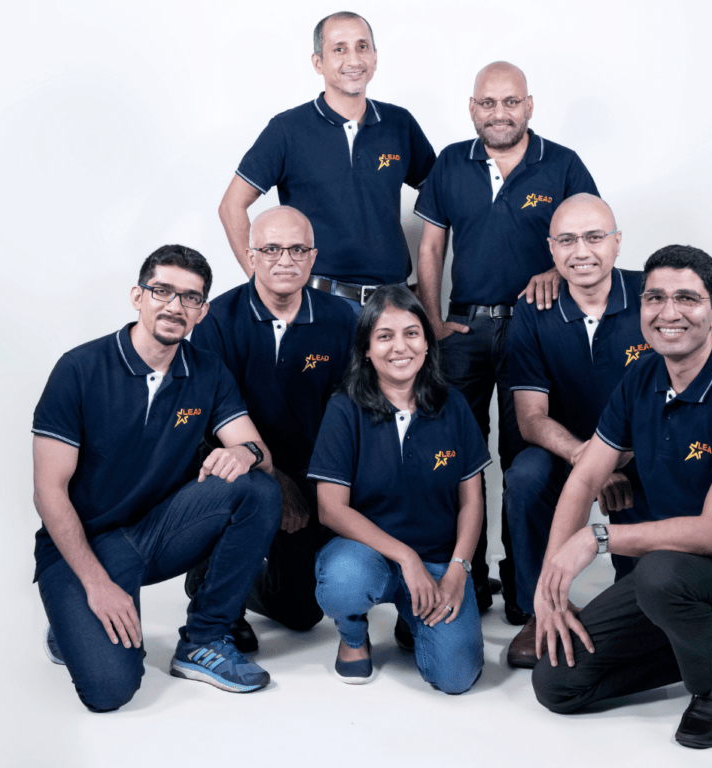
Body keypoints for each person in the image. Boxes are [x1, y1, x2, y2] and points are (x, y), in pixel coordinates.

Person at [531, 245, 712, 748]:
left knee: (658, 570)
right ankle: (707, 644)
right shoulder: (641, 378)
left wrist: (596, 538)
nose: (668, 312)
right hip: (669, 583)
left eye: (687, 298)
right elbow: (585, 479)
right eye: (654, 297)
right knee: (557, 682)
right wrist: (550, 589)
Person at [31, 245, 281, 712]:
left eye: (190, 297)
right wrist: (96, 584)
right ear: (138, 296)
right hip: (81, 547)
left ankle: (203, 640)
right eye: (162, 290)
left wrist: (244, 452)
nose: (174, 305)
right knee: (110, 690)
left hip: (153, 534)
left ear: (202, 311)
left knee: (258, 490)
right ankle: (70, 619)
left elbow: (259, 452)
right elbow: (48, 491)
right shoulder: (79, 368)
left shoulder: (208, 371)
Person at [414, 61, 600, 620]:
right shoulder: (451, 163)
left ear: (529, 105)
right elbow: (430, 248)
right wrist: (432, 321)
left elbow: (589, 238)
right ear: (473, 108)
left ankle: (527, 592)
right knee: (456, 457)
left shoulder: (562, 164)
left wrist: (555, 271)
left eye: (511, 102)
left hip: (535, 329)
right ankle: (466, 583)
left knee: (525, 464)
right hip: (465, 329)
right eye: (488, 103)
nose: (500, 113)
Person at [186, 206, 357, 652]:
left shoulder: (342, 319)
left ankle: (245, 582)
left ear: (313, 257)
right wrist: (274, 480)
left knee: (302, 612)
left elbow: (349, 415)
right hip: (239, 470)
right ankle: (216, 592)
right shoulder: (216, 321)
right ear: (251, 255)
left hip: (310, 472)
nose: (286, 260)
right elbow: (206, 422)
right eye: (272, 249)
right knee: (226, 476)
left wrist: (320, 489)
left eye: (298, 249)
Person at [307, 285, 489, 692]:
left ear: (427, 343)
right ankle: (353, 635)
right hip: (365, 555)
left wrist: (458, 569)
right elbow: (331, 509)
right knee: (344, 579)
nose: (400, 347)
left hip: (438, 561)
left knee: (456, 677)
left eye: (411, 333)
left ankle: (413, 619)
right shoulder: (344, 409)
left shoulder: (454, 406)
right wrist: (406, 557)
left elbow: (472, 501)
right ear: (366, 350)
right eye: (384, 336)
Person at [504, 194, 654, 668]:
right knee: (525, 476)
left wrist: (614, 459)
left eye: (594, 237)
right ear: (551, 249)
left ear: (617, 242)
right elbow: (530, 417)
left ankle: (639, 603)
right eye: (567, 240)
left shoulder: (652, 297)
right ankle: (542, 608)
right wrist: (586, 461)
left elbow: (672, 400)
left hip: (639, 452)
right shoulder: (532, 310)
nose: (581, 251)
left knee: (642, 607)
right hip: (568, 453)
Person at [219, 11, 435, 311]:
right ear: (318, 62)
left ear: (375, 57)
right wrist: (265, 288)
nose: (354, 59)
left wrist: (429, 288)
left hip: (392, 302)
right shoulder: (287, 130)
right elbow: (231, 206)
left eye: (362, 47)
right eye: (339, 49)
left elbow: (441, 199)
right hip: (318, 301)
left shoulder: (399, 123)